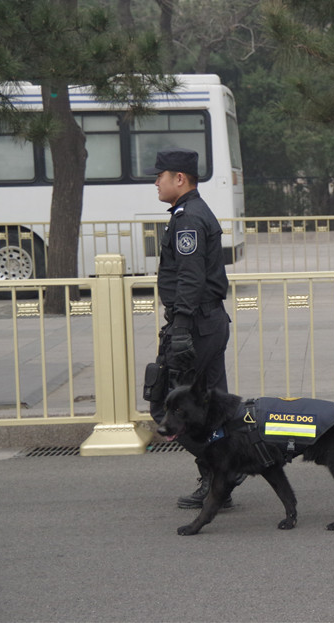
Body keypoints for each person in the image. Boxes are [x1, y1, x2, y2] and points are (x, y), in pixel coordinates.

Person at [144, 148, 235, 509]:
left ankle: (219, 474)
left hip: (197, 325)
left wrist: (180, 327)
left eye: (160, 176)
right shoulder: (188, 213)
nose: (155, 182)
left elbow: (191, 277)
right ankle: (222, 478)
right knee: (215, 407)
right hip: (206, 322)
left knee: (169, 408)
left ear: (179, 178)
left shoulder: (190, 218)